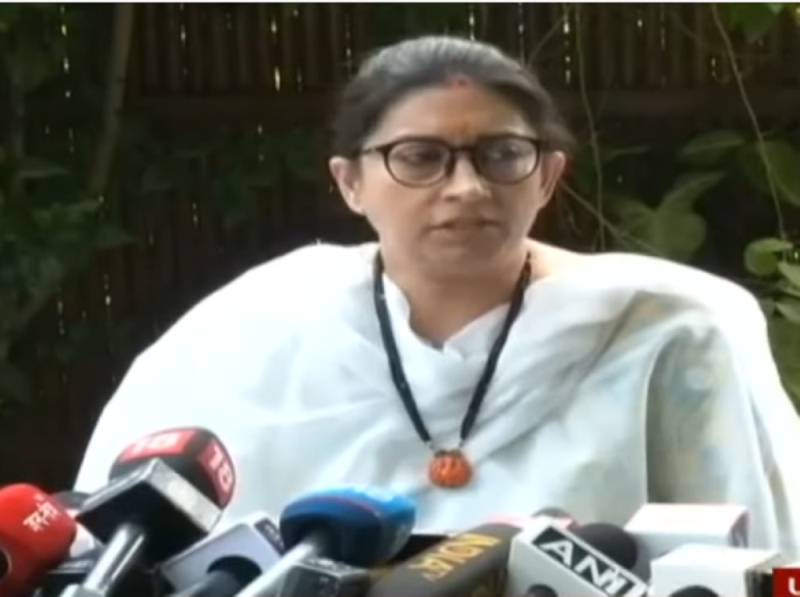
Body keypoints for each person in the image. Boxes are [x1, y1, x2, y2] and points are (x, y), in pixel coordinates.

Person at [74, 35, 800, 557]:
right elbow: (113, 544)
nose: (467, 187)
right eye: (419, 157)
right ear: (349, 182)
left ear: (547, 176)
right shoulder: (251, 330)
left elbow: (767, 553)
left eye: (502, 155)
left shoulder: (669, 328)